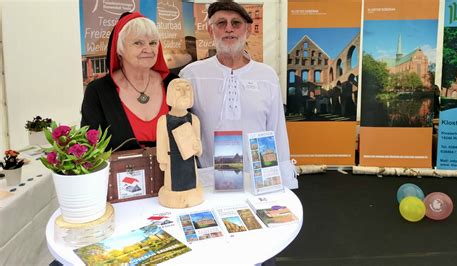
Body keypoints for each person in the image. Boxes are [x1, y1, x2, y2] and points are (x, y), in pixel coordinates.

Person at [179, 0, 298, 190]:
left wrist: (284, 181)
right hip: (208, 182)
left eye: (236, 23)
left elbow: (277, 131)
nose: (229, 29)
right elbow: (182, 130)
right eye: (221, 23)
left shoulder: (266, 75)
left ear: (248, 30)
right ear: (211, 31)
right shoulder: (192, 75)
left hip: (259, 182)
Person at [81, 12, 177, 151]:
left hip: (173, 173)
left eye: (153, 43)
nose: (148, 49)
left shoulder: (174, 85)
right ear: (119, 49)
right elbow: (89, 149)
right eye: (138, 43)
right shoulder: (98, 92)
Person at [156, 78, 203, 208]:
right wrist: (163, 161)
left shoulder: (194, 120)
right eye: (178, 89)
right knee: (173, 184)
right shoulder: (163, 121)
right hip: (172, 161)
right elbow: (161, 144)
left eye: (187, 89)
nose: (183, 92)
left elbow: (199, 147)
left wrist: (197, 147)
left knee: (191, 181)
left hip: (189, 162)